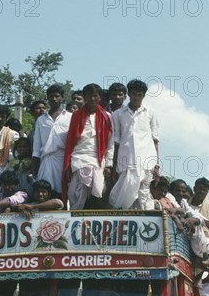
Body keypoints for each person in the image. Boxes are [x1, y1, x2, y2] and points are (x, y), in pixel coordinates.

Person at [109, 79, 160, 210]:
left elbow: (155, 139)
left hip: (146, 161)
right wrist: (114, 165)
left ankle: (145, 223)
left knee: (143, 195)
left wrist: (157, 165)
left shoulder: (151, 112)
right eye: (134, 94)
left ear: (143, 95)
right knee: (124, 195)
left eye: (139, 95)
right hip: (126, 161)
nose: (136, 98)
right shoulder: (118, 114)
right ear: (129, 95)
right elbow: (116, 141)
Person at [62, 83, 114, 209]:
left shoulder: (107, 117)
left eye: (95, 96)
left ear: (99, 98)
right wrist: (68, 163)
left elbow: (110, 142)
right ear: (84, 97)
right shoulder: (76, 116)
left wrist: (108, 164)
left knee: (98, 190)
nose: (92, 99)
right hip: (79, 158)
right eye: (89, 96)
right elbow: (70, 141)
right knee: (77, 192)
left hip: (98, 159)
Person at [32, 84, 72, 197]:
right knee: (45, 191)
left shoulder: (70, 117)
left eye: (57, 96)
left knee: (64, 191)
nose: (54, 99)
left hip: (63, 159)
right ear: (48, 98)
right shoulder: (41, 120)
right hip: (46, 159)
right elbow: (37, 145)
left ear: (62, 98)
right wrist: (34, 164)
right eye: (51, 96)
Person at [189, 177, 209, 245]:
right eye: (199, 188)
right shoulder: (186, 204)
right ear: (194, 188)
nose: (201, 192)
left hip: (203, 241)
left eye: (204, 190)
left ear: (207, 192)